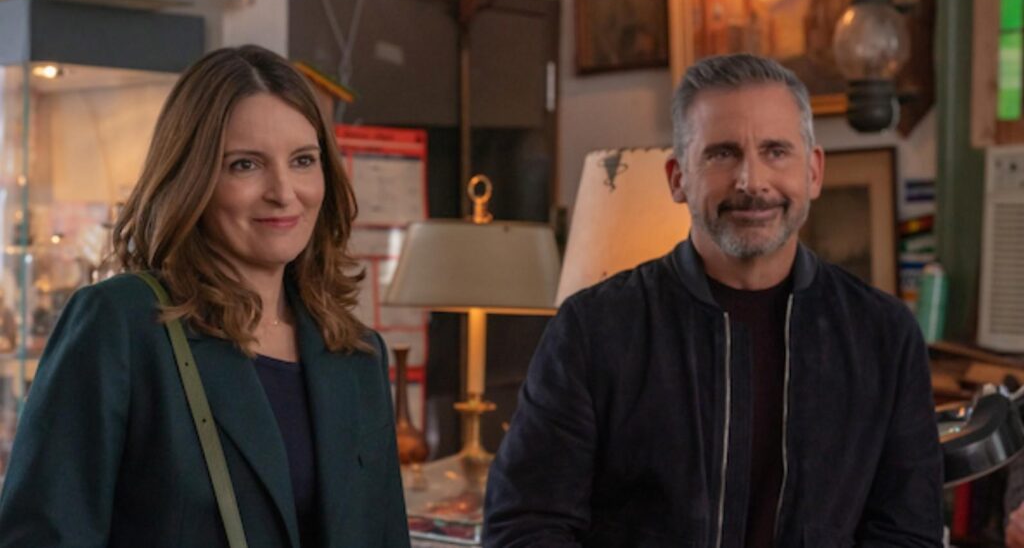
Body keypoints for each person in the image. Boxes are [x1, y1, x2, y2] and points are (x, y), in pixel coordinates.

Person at [484, 54, 943, 547]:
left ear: (813, 172)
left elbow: (908, 535)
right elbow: (524, 526)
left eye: (775, 151)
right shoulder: (593, 329)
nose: (751, 181)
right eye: (722, 154)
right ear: (677, 177)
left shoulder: (883, 335)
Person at [0, 45, 410, 548]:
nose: (284, 192)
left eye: (303, 160)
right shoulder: (122, 325)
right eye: (245, 165)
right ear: (191, 177)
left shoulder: (357, 354)